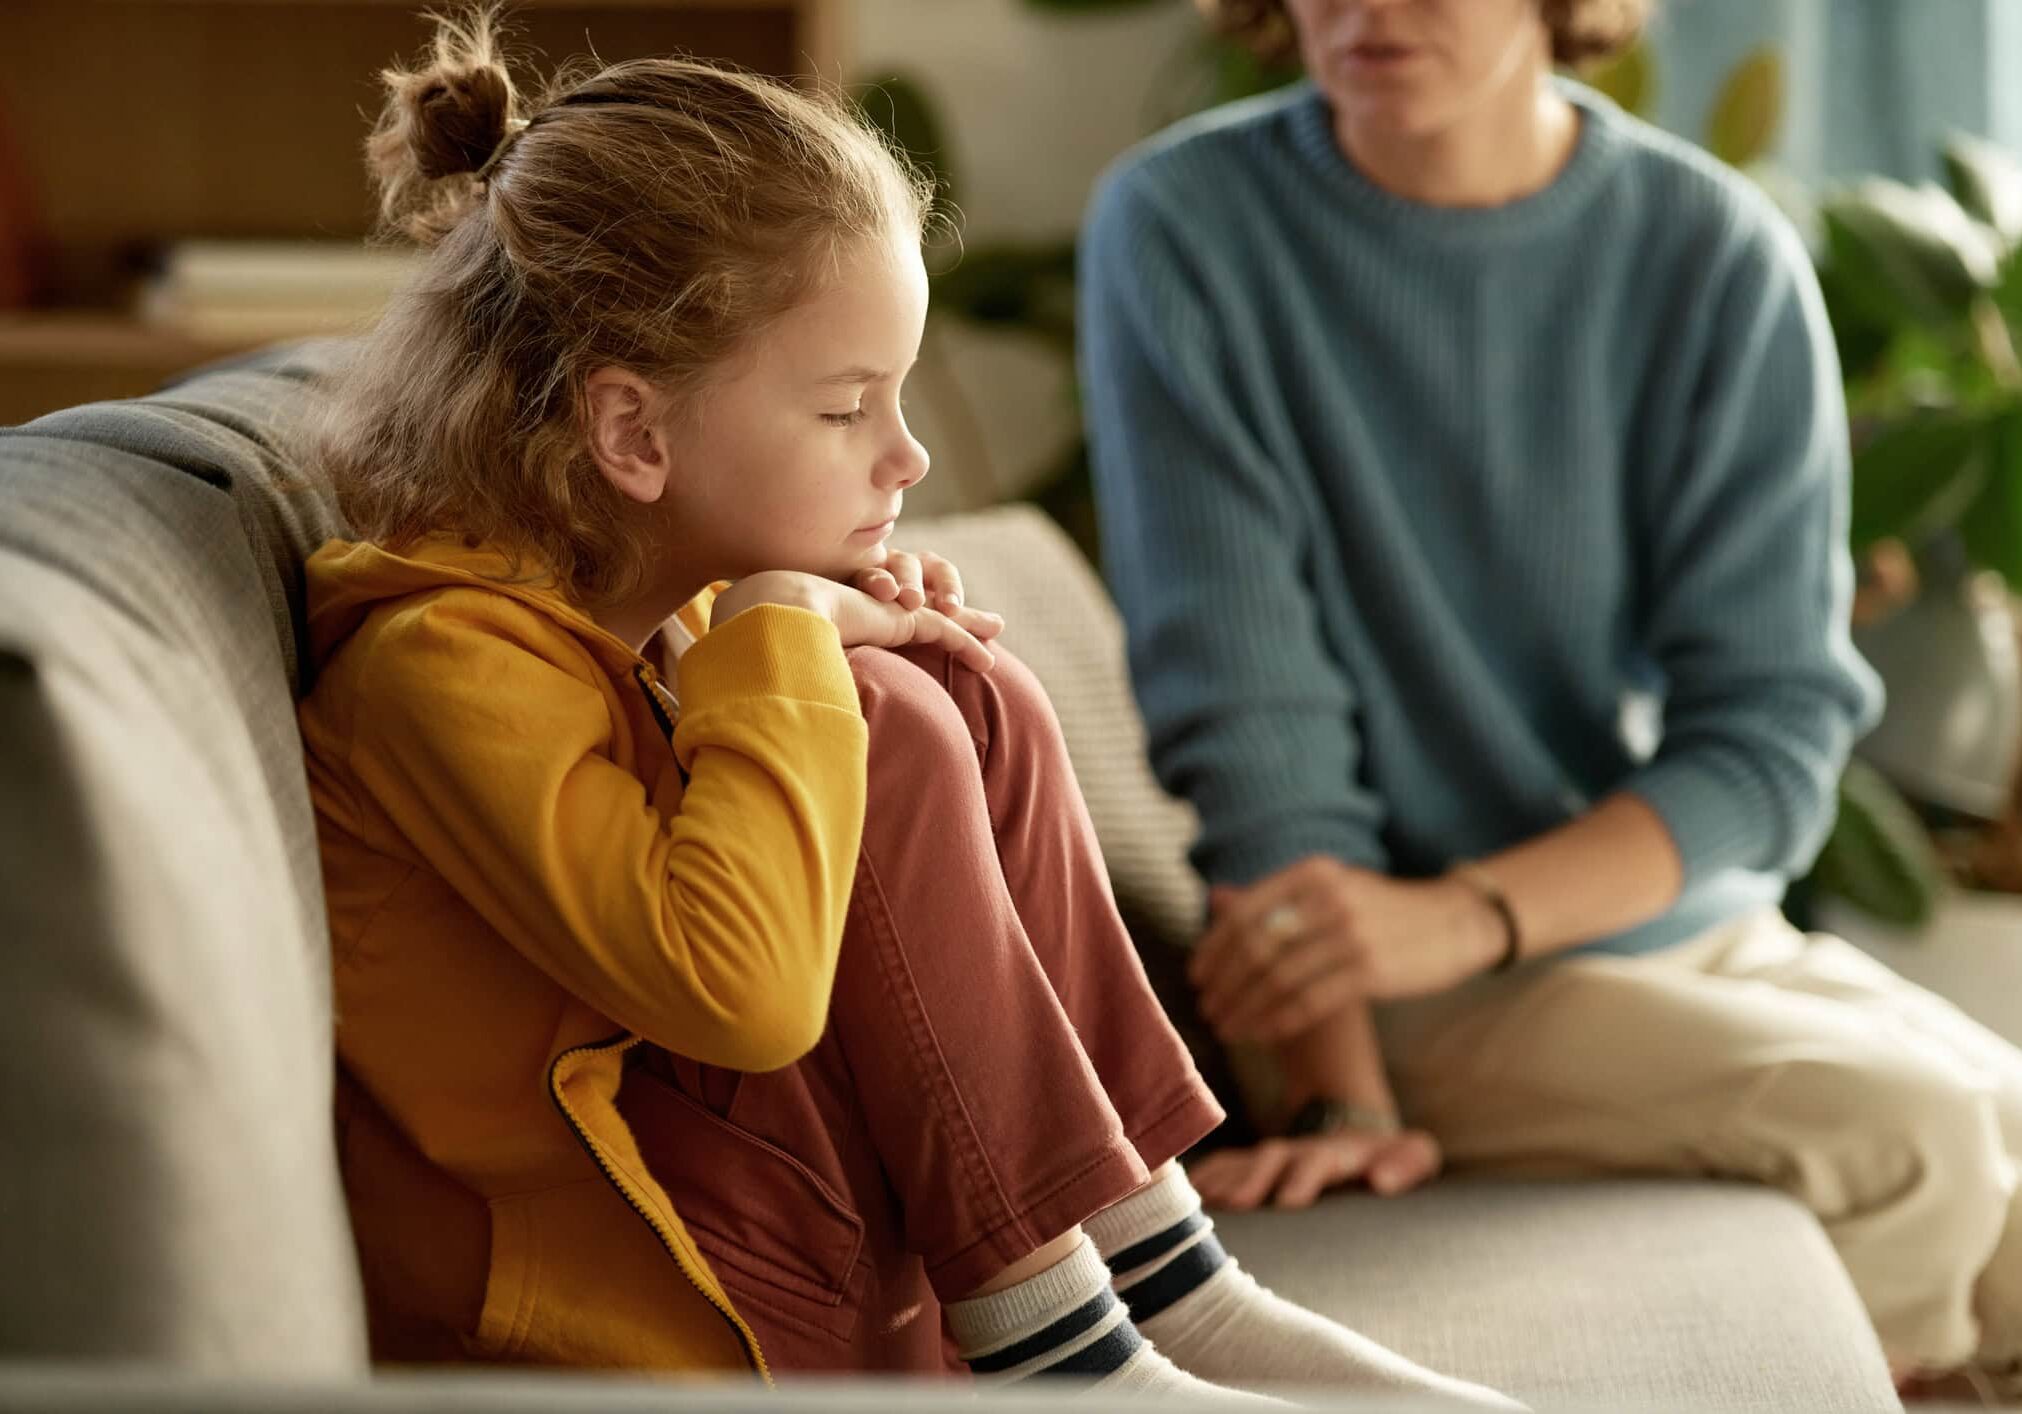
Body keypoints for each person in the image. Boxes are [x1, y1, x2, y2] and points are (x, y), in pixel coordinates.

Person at [294, 9, 1522, 1407]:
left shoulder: (639, 608)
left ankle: (1155, 1272)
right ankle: (1059, 1344)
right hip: (638, 1318)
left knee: (944, 688)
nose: (908, 450)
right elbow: (739, 998)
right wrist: (782, 635)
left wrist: (802, 638)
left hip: (758, 1232)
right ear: (630, 433)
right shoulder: (438, 665)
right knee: (873, 712)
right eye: (845, 407)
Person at [1081, 0, 2022, 1393]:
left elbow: (1766, 734)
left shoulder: (1709, 250)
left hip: (1642, 922)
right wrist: (1339, 1085)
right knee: (1915, 1141)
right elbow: (1252, 722)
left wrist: (1466, 914)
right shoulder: (1186, 224)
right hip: (1373, 976)